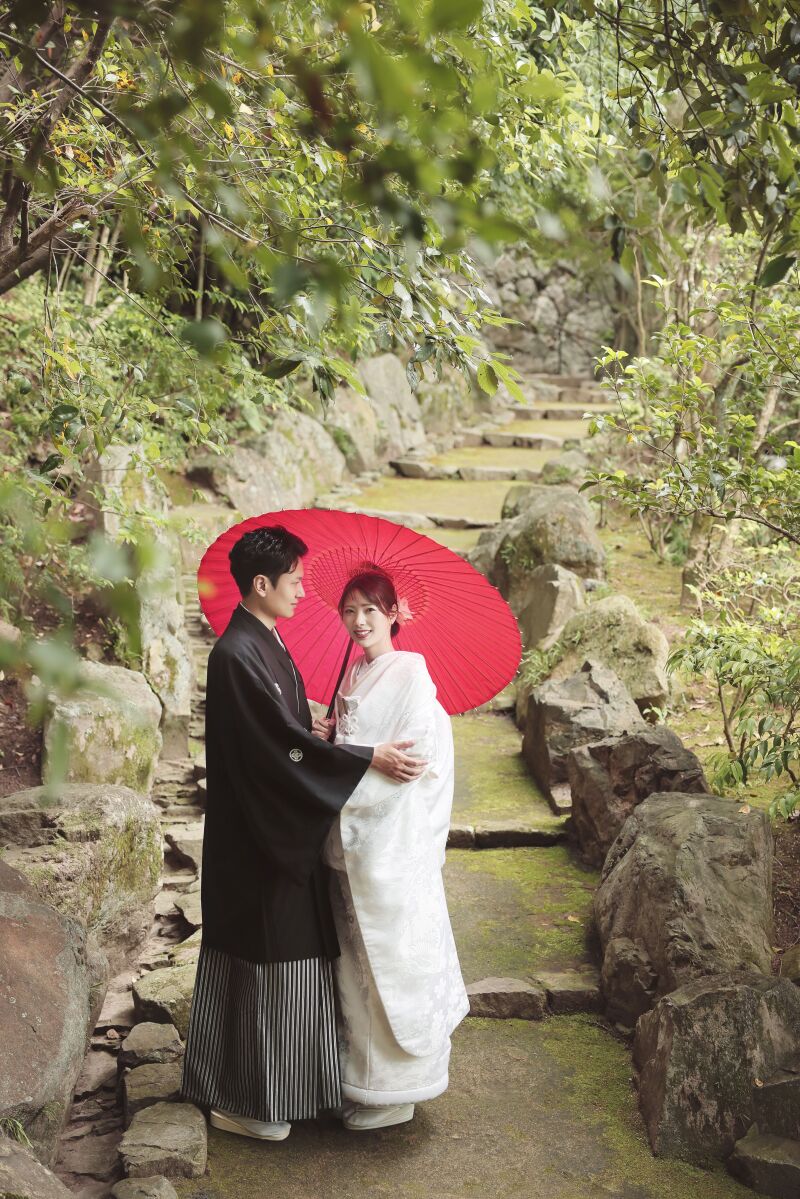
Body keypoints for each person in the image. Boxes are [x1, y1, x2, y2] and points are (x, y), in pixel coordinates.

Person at [180, 528, 427, 1142]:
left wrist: (311, 728)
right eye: (293, 580)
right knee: (263, 958)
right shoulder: (235, 653)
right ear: (261, 584)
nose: (300, 591)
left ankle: (281, 1095)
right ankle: (256, 1105)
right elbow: (272, 747)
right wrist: (362, 756)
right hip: (259, 835)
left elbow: (282, 731)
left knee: (287, 961)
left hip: (278, 827)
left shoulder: (263, 641)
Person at [318, 569, 469, 1132]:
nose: (359, 622)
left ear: (394, 614)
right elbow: (358, 748)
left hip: (388, 841)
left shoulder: (410, 670)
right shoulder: (354, 672)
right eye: (350, 610)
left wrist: (352, 756)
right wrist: (332, 738)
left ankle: (399, 1091)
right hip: (351, 842)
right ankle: (361, 1081)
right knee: (355, 967)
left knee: (393, 966)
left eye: (371, 611)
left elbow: (413, 755)